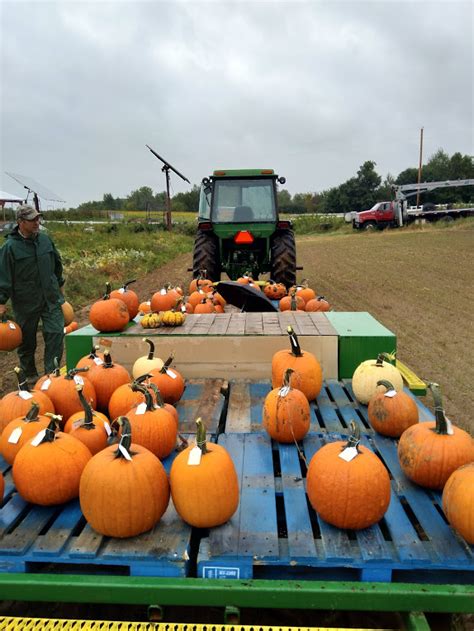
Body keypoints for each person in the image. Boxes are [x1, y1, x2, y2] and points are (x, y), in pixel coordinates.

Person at [0, 205, 65, 385]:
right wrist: (1, 300)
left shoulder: (45, 241)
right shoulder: (10, 248)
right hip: (26, 301)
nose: (37, 222)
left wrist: (60, 285)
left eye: (38, 219)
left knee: (55, 332)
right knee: (27, 340)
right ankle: (30, 374)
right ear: (20, 222)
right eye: (32, 220)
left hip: (50, 298)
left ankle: (51, 375)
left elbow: (56, 264)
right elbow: (3, 275)